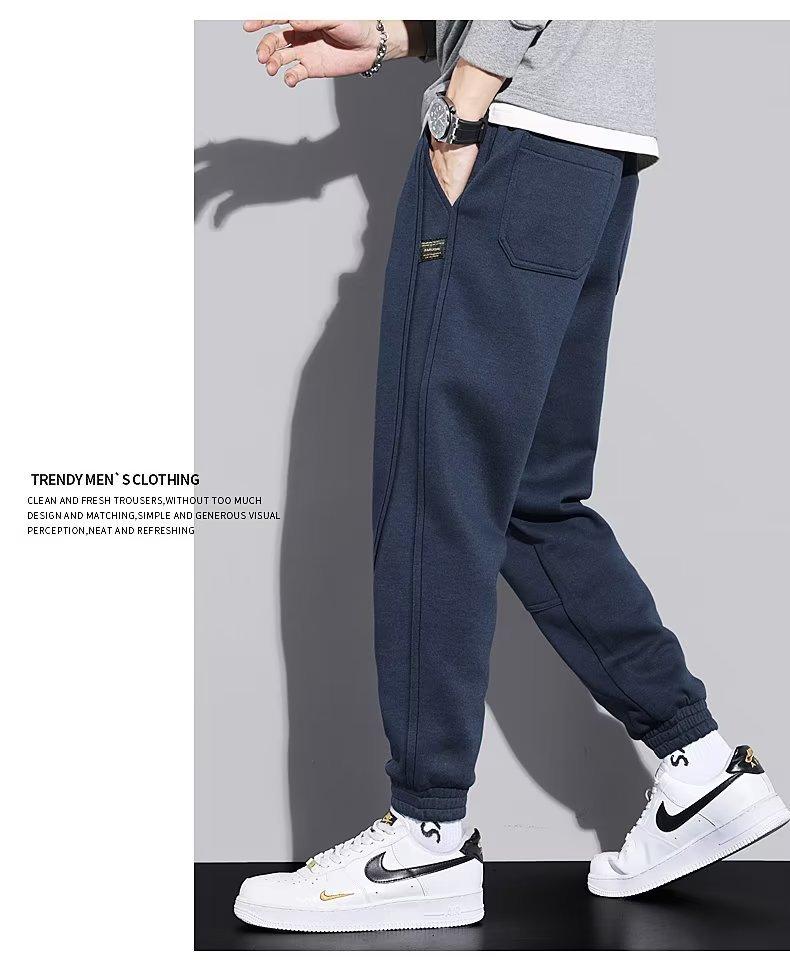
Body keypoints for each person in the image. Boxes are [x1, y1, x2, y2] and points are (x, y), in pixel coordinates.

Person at [232, 20, 788, 932]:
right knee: (532, 492)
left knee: (435, 490)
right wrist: (400, 36)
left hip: (512, 137)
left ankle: (426, 838)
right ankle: (700, 765)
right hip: (590, 154)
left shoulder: (482, 116)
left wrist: (460, 108)